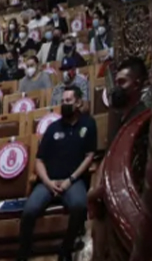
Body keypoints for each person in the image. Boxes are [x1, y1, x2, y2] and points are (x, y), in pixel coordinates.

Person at [17, 86, 96, 261]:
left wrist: (71, 179)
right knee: (29, 211)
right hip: (48, 182)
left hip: (73, 181)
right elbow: (39, 160)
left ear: (78, 103)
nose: (64, 104)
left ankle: (66, 249)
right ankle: (24, 251)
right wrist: (47, 182)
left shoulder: (88, 124)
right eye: (63, 101)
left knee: (79, 206)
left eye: (68, 101)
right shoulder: (52, 128)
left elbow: (90, 156)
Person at [108, 56, 150, 141]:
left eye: (122, 82)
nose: (117, 88)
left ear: (136, 85)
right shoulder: (121, 117)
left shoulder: (143, 119)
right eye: (116, 83)